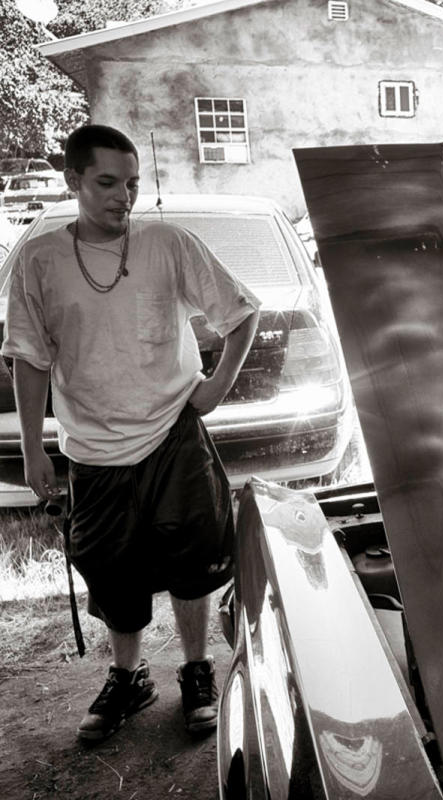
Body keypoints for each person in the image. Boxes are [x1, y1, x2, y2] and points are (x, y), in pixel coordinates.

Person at [1, 124, 261, 741]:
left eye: (133, 184)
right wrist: (36, 449)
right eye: (108, 183)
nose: (124, 196)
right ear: (74, 181)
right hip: (91, 447)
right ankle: (129, 675)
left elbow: (242, 311)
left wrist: (216, 388)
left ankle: (197, 670)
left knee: (193, 560)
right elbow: (31, 357)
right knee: (113, 569)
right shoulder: (40, 261)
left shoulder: (168, 244)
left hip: (173, 432)